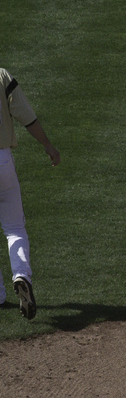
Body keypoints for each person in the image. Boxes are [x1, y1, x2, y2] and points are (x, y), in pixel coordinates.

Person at [0, 68, 61, 320]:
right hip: (2, 161)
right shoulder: (1, 76)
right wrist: (48, 146)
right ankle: (21, 275)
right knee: (14, 228)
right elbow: (27, 116)